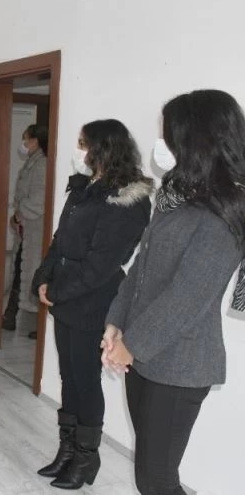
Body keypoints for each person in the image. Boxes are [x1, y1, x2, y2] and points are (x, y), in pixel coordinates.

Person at [102, 90, 245, 495]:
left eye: (168, 134)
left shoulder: (226, 211)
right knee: (152, 475)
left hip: (181, 363)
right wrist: (116, 323)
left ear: (196, 139)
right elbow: (141, 269)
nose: (161, 144)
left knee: (156, 480)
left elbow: (188, 297)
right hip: (143, 354)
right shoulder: (176, 196)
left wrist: (132, 346)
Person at [32, 119, 153, 490]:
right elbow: (59, 241)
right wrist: (43, 278)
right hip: (66, 295)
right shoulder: (85, 187)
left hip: (93, 301)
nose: (79, 150)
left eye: (84, 143)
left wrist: (58, 290)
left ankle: (86, 458)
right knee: (69, 376)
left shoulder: (127, 199)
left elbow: (100, 265)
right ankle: (67, 451)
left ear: (104, 148)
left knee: (85, 381)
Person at [3, 124, 48, 338]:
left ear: (36, 141)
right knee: (20, 270)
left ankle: (32, 322)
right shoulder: (33, 162)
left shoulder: (42, 164)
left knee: (30, 272)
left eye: (26, 139)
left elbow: (39, 199)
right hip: (26, 229)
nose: (24, 144)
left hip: (35, 228)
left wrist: (20, 214)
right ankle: (10, 316)